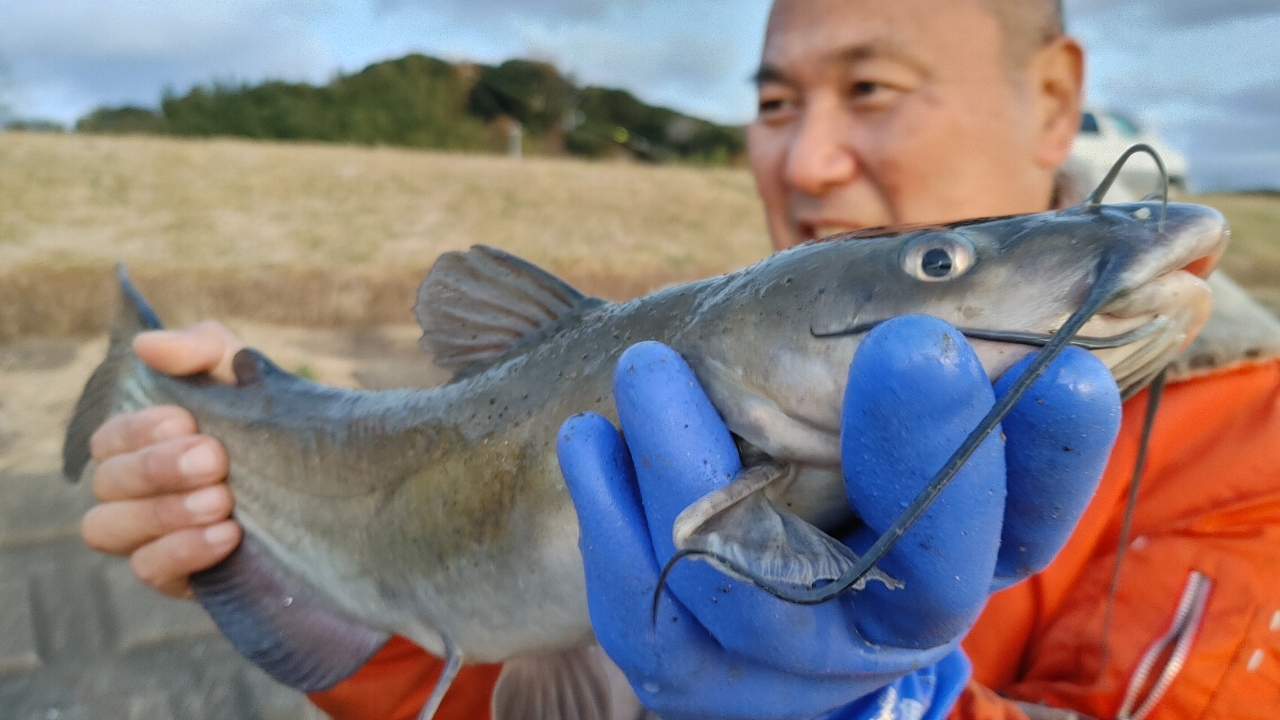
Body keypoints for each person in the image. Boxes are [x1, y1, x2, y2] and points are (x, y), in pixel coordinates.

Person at [79, 0, 1280, 718]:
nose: (803, 163)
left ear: (1056, 101)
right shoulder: (738, 337)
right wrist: (258, 466)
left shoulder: (1254, 462)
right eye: (768, 105)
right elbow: (477, 668)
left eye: (870, 87)